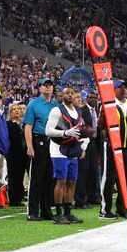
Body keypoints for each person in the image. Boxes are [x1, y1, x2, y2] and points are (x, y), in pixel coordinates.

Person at [45, 87, 89, 224]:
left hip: (72, 149)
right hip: (59, 149)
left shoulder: (77, 111)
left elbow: (79, 131)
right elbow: (48, 131)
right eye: (67, 93)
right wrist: (65, 133)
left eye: (72, 93)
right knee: (61, 181)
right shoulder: (57, 110)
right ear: (61, 96)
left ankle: (68, 212)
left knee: (72, 181)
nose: (70, 95)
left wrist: (83, 143)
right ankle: (58, 214)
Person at [99, 80, 127, 219]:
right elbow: (101, 126)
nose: (124, 90)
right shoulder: (108, 105)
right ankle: (105, 209)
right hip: (112, 147)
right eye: (120, 87)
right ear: (113, 89)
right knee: (109, 178)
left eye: (125, 87)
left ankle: (122, 208)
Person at [23, 78, 58, 221]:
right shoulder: (33, 104)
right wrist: (30, 146)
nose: (48, 88)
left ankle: (46, 210)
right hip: (38, 140)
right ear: (40, 88)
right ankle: (32, 211)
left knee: (49, 177)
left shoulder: (55, 105)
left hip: (52, 142)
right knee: (36, 178)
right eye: (45, 85)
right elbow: (28, 126)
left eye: (50, 85)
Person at [75, 91, 100, 208]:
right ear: (87, 98)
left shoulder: (98, 110)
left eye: (95, 97)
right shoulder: (82, 110)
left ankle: (92, 197)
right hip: (84, 142)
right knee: (83, 171)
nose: (93, 99)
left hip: (94, 142)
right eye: (91, 97)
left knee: (93, 170)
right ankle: (81, 199)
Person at [6, 103, 28, 206]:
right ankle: (13, 199)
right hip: (13, 154)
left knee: (21, 177)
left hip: (24, 154)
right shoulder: (8, 124)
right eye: (14, 109)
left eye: (18, 109)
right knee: (13, 177)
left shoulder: (24, 124)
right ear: (10, 113)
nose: (17, 111)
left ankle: (19, 198)